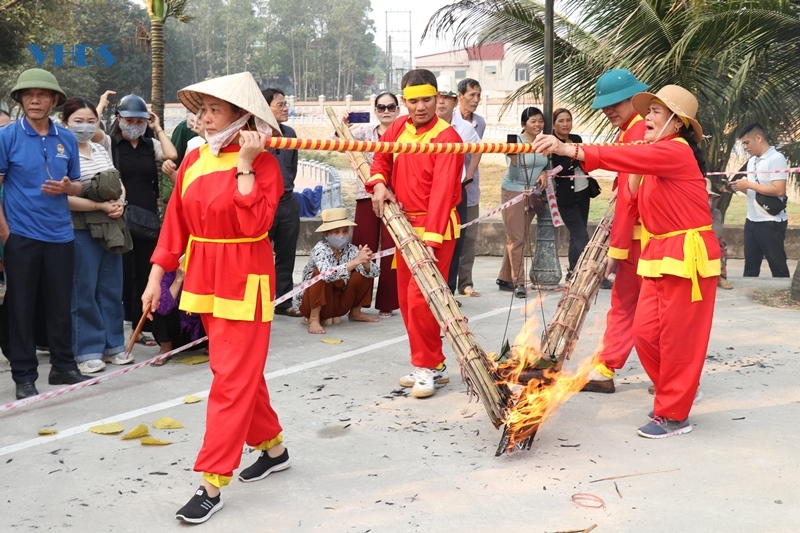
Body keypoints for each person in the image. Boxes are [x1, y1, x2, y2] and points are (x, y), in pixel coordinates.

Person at [141, 71, 288, 524]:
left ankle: (211, 481)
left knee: (229, 380)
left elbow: (254, 225)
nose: (203, 119)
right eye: (200, 110)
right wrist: (156, 278)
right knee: (238, 374)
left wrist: (245, 160)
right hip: (205, 280)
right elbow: (175, 226)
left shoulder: (264, 163)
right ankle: (275, 449)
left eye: (213, 110)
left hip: (246, 281)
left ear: (241, 117)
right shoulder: (194, 161)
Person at [535, 84, 720, 438]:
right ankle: (676, 391)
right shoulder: (653, 151)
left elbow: (619, 158)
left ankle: (673, 414)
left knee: (680, 340)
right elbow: (627, 179)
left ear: (676, 123)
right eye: (647, 111)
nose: (647, 117)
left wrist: (568, 148)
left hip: (688, 255)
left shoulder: (675, 151)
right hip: (659, 254)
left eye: (656, 112)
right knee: (645, 333)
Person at [367, 69, 464, 399]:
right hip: (403, 227)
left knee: (421, 300)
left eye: (427, 99)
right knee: (407, 302)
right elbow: (380, 159)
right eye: (413, 100)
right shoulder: (397, 127)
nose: (420, 107)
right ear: (403, 100)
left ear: (438, 99)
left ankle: (425, 367)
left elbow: (443, 192)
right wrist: (379, 185)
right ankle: (432, 364)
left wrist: (432, 240)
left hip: (434, 231)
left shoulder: (448, 138)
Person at [0, 68, 91, 399]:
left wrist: (70, 186)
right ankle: (24, 374)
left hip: (60, 235)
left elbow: (78, 183)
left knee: (60, 303)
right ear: (21, 100)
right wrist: (7, 234)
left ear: (54, 100)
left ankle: (63, 366)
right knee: (21, 306)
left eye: (42, 95)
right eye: (28, 94)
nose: (35, 100)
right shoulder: (6, 137)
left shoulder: (66, 137)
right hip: (21, 235)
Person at [580, 69, 649, 394]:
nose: (609, 110)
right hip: (639, 235)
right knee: (632, 303)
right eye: (605, 105)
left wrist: (616, 248)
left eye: (616, 102)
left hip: (643, 237)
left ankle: (612, 367)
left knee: (635, 305)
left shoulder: (638, 132)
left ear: (635, 98)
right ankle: (607, 365)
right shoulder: (632, 130)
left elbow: (629, 199)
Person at [64, 97, 132, 374]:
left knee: (111, 288)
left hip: (111, 226)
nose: (85, 126)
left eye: (91, 121)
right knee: (84, 290)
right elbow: (65, 198)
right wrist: (100, 205)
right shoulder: (63, 152)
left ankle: (114, 345)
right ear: (65, 123)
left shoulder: (100, 147)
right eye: (78, 121)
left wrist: (120, 203)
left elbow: (118, 183)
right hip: (80, 227)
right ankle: (87, 350)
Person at [111, 94, 177, 347]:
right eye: (130, 120)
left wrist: (157, 128)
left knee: (148, 269)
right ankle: (128, 322)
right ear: (119, 119)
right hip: (120, 213)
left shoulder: (150, 145)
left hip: (147, 215)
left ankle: (144, 325)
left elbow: (172, 154)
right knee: (125, 271)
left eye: (140, 120)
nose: (135, 124)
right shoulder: (112, 144)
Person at [340, 92, 399, 317]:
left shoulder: (404, 135)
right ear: (375, 110)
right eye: (381, 107)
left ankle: (387, 303)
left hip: (394, 197)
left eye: (391, 107)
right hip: (366, 195)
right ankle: (359, 302)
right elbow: (338, 144)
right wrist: (343, 126)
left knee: (392, 250)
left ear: (397, 109)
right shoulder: (364, 133)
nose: (386, 111)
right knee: (363, 248)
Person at [294, 208, 380, 334]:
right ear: (326, 235)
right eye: (336, 232)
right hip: (312, 303)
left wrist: (365, 263)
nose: (342, 235)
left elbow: (376, 272)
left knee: (365, 272)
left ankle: (356, 313)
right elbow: (327, 275)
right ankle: (313, 319)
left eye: (345, 231)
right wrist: (356, 261)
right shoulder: (320, 249)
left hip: (338, 302)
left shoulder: (351, 249)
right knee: (319, 274)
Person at [436, 76, 483, 299]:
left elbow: (478, 150)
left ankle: (448, 293)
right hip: (428, 194)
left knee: (456, 241)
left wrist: (469, 175)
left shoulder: (464, 128)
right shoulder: (419, 126)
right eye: (439, 97)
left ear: (455, 102)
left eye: (447, 98)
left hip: (456, 192)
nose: (442, 102)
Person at [497, 106, 548, 299]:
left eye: (540, 121)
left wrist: (543, 172)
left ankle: (504, 278)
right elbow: (513, 172)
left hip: (534, 193)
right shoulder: (516, 143)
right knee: (517, 239)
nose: (537, 125)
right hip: (514, 192)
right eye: (533, 121)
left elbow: (544, 164)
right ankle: (518, 282)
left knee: (518, 237)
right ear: (523, 123)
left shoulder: (543, 141)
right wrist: (514, 159)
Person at [263, 87, 302, 317]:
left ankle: (284, 302)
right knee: (259, 257)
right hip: (264, 204)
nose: (286, 108)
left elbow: (292, 168)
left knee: (287, 256)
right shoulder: (255, 135)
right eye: (280, 105)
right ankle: (259, 302)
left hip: (288, 202)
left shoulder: (290, 134)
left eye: (286, 104)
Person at [731, 123, 790, 278]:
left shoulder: (776, 158)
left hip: (771, 221)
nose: (745, 147)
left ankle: (782, 295)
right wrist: (743, 187)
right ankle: (748, 296)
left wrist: (749, 184)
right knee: (750, 265)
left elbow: (779, 190)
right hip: (752, 219)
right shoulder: (752, 161)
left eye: (746, 143)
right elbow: (758, 189)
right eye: (743, 144)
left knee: (777, 265)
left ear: (758, 138)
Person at [550, 108, 600, 279]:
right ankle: (589, 272)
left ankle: (573, 272)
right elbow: (557, 168)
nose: (565, 124)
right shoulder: (552, 143)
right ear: (553, 124)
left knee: (577, 235)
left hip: (583, 191)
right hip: (566, 197)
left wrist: (572, 155)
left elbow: (586, 159)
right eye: (561, 121)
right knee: (581, 236)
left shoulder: (577, 139)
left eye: (568, 120)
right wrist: (571, 156)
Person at [455, 78, 486, 297]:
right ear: (460, 96)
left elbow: (477, 151)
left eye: (478, 95)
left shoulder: (480, 123)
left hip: (469, 188)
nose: (475, 100)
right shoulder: (448, 120)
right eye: (471, 95)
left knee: (470, 236)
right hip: (449, 186)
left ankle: (465, 283)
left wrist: (470, 175)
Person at [151, 262, 206, 366]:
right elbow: (163, 308)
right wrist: (178, 279)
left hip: (200, 335)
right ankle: (165, 349)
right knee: (159, 306)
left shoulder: (204, 269)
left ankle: (212, 348)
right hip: (175, 335)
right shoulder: (166, 272)